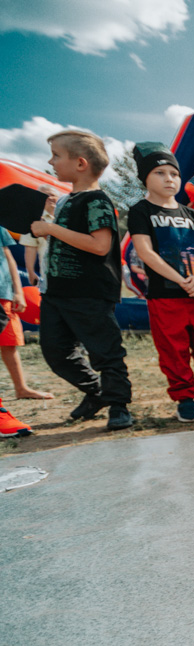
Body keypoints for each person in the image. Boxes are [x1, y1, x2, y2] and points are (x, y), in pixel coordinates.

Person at [30, 130, 133, 431]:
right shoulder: (64, 201)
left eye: (56, 156)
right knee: (56, 352)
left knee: (105, 350)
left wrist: (51, 230)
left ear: (80, 163)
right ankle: (96, 392)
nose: (51, 162)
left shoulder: (97, 201)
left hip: (89, 292)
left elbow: (100, 245)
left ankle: (119, 405)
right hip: (56, 293)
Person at [127, 142, 194, 422]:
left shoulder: (193, 215)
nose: (169, 179)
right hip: (165, 296)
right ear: (145, 178)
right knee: (174, 352)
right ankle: (185, 399)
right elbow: (145, 252)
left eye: (173, 173)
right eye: (160, 173)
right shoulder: (140, 211)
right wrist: (181, 280)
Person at [0, 227, 52, 401]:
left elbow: (9, 257)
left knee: (9, 342)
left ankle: (21, 389)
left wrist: (18, 291)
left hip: (4, 293)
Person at [19, 184, 62, 293]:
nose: (50, 198)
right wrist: (31, 272)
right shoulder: (35, 220)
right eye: (45, 195)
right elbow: (30, 248)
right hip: (49, 275)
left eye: (52, 195)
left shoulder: (66, 218)